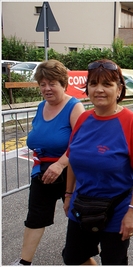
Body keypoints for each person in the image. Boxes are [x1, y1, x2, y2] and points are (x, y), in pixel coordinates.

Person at [62, 59, 133, 265]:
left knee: (113, 261)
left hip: (117, 210)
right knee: (73, 258)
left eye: (107, 84)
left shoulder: (132, 123)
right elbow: (72, 159)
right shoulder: (83, 120)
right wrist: (68, 195)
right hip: (82, 205)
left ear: (119, 88)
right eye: (94, 84)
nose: (99, 90)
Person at [12, 60, 85, 266]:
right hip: (42, 172)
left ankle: (81, 256)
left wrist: (60, 164)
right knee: (35, 217)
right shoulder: (41, 106)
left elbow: (79, 144)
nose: (46, 88)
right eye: (42, 84)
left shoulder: (74, 107)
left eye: (52, 83)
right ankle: (24, 262)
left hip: (70, 175)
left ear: (64, 84)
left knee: (77, 219)